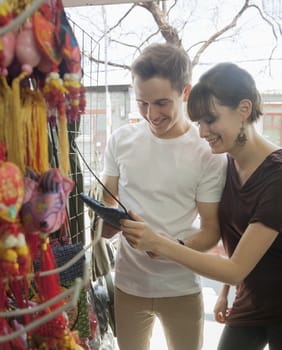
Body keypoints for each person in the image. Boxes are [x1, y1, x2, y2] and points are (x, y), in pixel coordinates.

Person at [121, 62, 282, 350]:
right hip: (251, 303)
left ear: (244, 110)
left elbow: (235, 268)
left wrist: (158, 243)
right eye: (198, 122)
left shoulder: (277, 178)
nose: (203, 131)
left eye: (210, 119)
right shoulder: (229, 163)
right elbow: (243, 245)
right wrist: (226, 293)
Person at [100, 43, 227, 350]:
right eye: (142, 103)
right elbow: (106, 206)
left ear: (186, 92)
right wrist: (107, 224)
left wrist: (167, 247)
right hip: (127, 285)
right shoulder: (120, 140)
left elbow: (212, 230)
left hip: (182, 287)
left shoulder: (207, 153)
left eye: (161, 103)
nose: (151, 115)